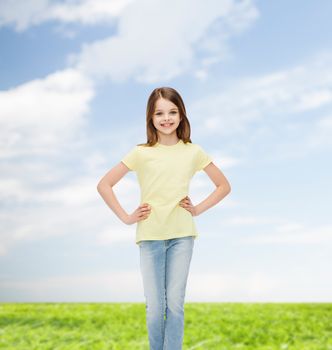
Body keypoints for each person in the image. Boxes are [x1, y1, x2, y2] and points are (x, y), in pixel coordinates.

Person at [97, 87, 231, 350]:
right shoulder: (140, 153)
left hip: (182, 235)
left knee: (175, 305)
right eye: (159, 113)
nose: (166, 118)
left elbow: (223, 186)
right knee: (156, 307)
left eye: (172, 112)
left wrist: (198, 209)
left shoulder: (193, 152)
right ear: (151, 117)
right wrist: (126, 217)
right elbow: (104, 184)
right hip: (150, 237)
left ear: (181, 115)